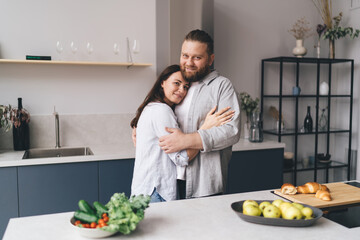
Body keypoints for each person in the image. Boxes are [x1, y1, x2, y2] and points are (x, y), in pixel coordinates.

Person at [130, 64, 234, 203]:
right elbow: (181, 158)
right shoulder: (162, 110)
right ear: (162, 82)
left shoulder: (152, 107)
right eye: (177, 83)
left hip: (144, 189)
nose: (181, 90)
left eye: (185, 87)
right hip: (156, 190)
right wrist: (205, 128)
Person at [158, 29, 241, 199]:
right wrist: (137, 124)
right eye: (185, 55)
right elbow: (156, 107)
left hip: (205, 185)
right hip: (171, 180)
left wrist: (185, 140)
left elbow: (231, 131)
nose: (189, 62)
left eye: (197, 57)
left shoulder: (222, 86)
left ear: (210, 59)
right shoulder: (179, 84)